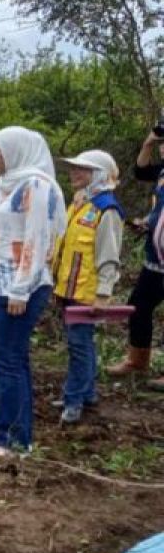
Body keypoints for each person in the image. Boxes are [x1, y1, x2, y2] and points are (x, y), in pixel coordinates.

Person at [0, 127, 67, 461]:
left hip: (19, 288)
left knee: (7, 362)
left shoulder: (36, 186)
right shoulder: (4, 186)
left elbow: (37, 240)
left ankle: (10, 440)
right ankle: (14, 429)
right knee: (12, 361)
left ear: (17, 151)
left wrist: (20, 289)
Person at [51, 150, 124, 423]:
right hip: (69, 290)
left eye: (82, 169)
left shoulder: (107, 209)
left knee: (79, 347)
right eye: (73, 168)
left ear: (98, 175)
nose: (74, 173)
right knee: (81, 346)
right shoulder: (79, 204)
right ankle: (87, 392)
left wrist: (103, 293)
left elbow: (109, 256)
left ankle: (74, 400)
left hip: (86, 293)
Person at [107, 127, 164, 391]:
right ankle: (137, 360)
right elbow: (141, 171)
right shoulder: (162, 172)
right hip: (156, 258)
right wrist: (148, 143)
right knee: (139, 305)